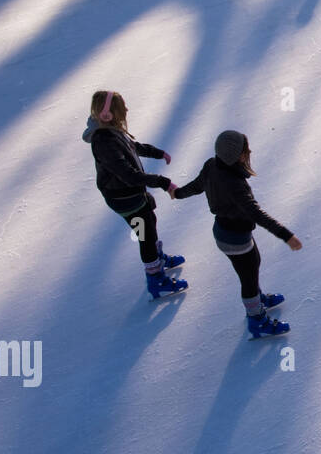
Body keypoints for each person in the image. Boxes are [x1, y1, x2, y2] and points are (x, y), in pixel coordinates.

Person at [173, 131, 301, 339]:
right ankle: (257, 320)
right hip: (234, 238)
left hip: (227, 232)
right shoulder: (235, 184)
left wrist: (177, 193)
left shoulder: (211, 165)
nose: (249, 152)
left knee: (253, 263)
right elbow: (257, 214)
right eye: (245, 150)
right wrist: (286, 235)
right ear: (237, 156)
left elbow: (196, 186)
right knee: (248, 279)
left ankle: (257, 300)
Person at [82, 90, 187, 301]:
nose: (127, 110)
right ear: (107, 114)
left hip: (131, 194)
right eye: (122, 108)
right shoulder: (104, 142)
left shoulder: (111, 131)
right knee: (145, 234)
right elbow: (129, 176)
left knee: (150, 220)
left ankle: (157, 258)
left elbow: (133, 147)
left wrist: (157, 153)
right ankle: (155, 278)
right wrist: (163, 182)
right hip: (124, 198)